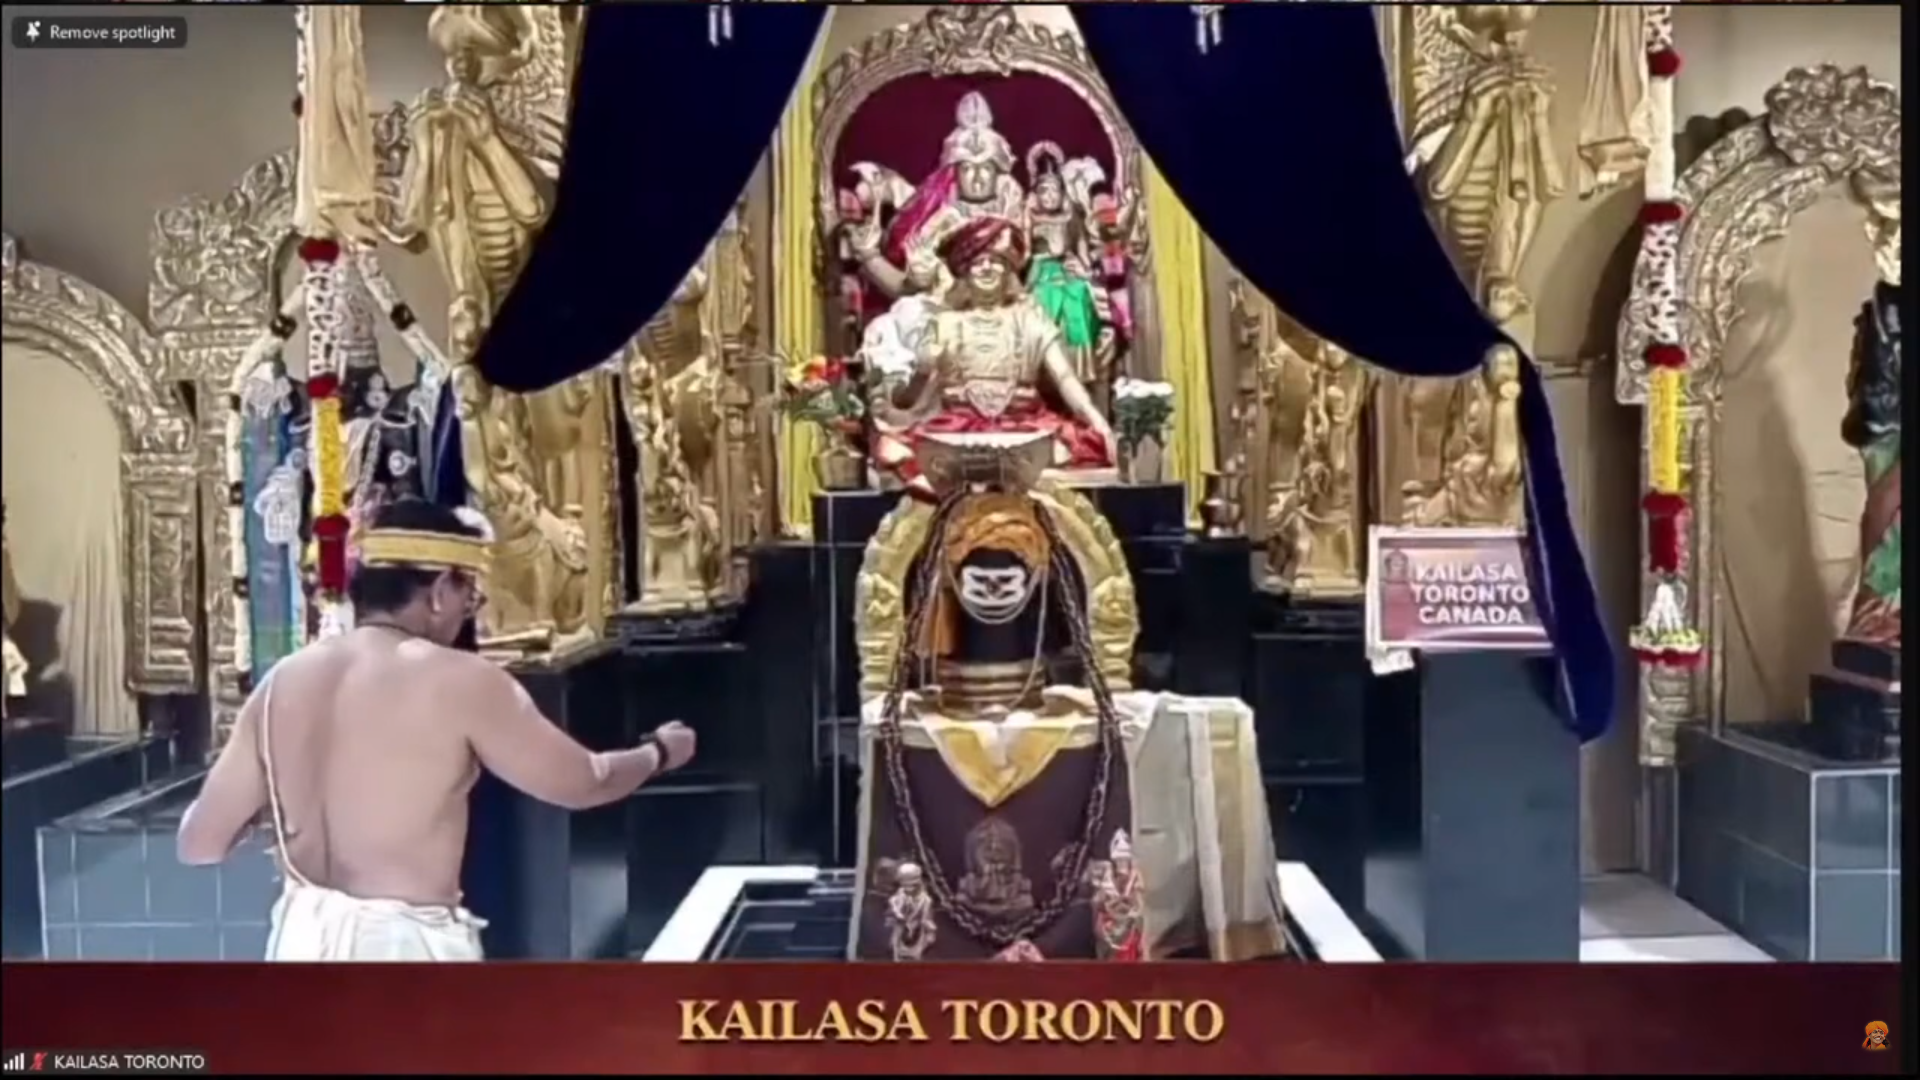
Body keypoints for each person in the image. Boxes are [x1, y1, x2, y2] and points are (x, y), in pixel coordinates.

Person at [176, 498, 695, 961]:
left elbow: (199, 843)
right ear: (441, 591)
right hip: (401, 953)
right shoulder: (459, 680)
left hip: (299, 944)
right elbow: (585, 781)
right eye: (470, 596)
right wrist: (659, 751)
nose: (467, 615)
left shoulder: (282, 681)